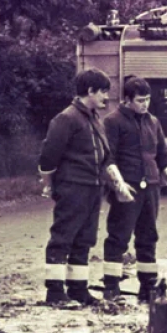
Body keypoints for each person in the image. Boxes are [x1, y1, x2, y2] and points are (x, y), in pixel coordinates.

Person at [39, 68, 129, 306]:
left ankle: (78, 289)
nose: (106, 98)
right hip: (73, 187)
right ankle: (55, 292)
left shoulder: (94, 118)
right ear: (89, 91)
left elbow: (106, 155)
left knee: (85, 238)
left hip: (93, 187)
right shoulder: (66, 118)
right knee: (63, 237)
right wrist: (50, 186)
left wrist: (115, 183)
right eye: (103, 92)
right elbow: (48, 157)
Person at [102, 77, 167, 304]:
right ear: (127, 99)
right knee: (118, 238)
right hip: (128, 187)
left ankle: (148, 287)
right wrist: (118, 186)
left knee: (148, 237)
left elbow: (164, 156)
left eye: (148, 99)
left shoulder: (153, 122)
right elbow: (108, 158)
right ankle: (111, 288)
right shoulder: (113, 122)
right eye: (140, 100)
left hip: (151, 187)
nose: (145, 104)